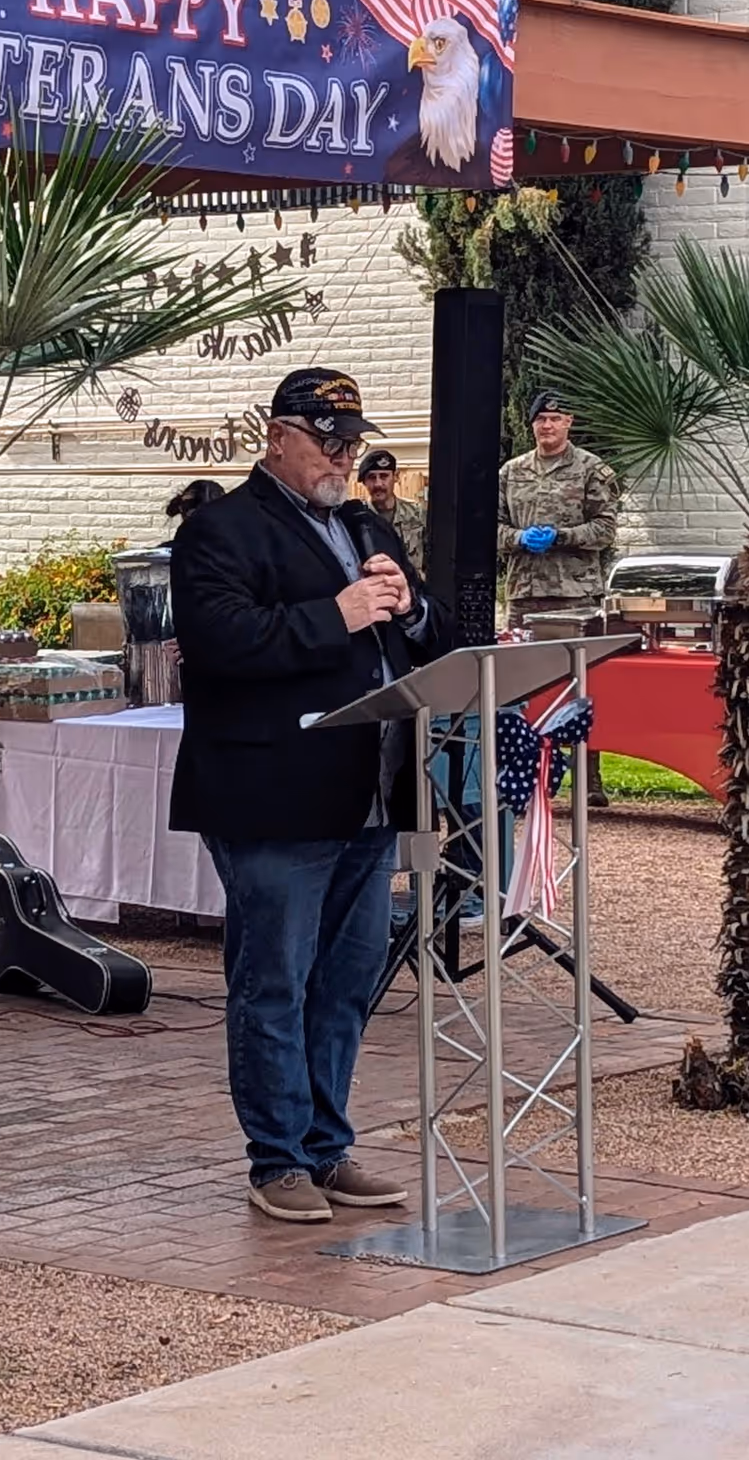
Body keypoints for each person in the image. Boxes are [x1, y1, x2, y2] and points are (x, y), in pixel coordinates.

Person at [170, 367, 450, 1224]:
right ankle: (277, 1158)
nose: (343, 454)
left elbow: (429, 635)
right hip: (271, 791)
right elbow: (222, 644)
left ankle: (327, 1148)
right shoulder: (219, 530)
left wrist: (409, 609)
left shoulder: (365, 523)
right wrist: (341, 613)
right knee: (274, 979)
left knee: (346, 979)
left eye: (352, 439)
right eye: (326, 438)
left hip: (368, 787)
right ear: (277, 436)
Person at [498, 390, 620, 805]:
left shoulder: (593, 470)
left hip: (576, 594)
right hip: (526, 592)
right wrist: (517, 538)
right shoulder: (510, 473)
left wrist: (564, 536)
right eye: (541, 419)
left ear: (569, 422)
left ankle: (590, 782)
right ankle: (518, 774)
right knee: (516, 686)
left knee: (582, 685)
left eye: (556, 418)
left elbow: (605, 530)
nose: (547, 426)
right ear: (531, 424)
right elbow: (491, 528)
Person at [357, 448, 426, 573]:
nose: (378, 484)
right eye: (372, 477)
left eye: (384, 476)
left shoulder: (417, 515)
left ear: (396, 477)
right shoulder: (358, 519)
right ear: (364, 482)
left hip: (412, 588)